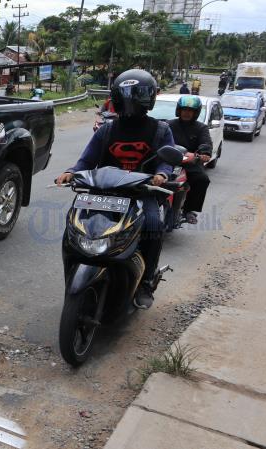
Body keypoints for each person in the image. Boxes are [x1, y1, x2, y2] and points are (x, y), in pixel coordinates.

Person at [56, 69, 175, 309]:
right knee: (75, 227)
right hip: (104, 194)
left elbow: (167, 159)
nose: (131, 101)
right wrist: (71, 172)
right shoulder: (107, 129)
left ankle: (146, 282)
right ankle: (74, 275)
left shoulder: (161, 130)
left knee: (154, 226)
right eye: (127, 95)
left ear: (148, 98)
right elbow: (86, 160)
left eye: (136, 95)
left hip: (142, 194)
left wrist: (162, 174)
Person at [167, 96, 212, 225]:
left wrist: (204, 153)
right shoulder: (169, 124)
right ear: (179, 110)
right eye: (184, 109)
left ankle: (189, 210)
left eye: (190, 110)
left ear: (195, 112)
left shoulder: (201, 128)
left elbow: (205, 143)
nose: (187, 113)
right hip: (168, 160)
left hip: (190, 163)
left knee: (202, 179)